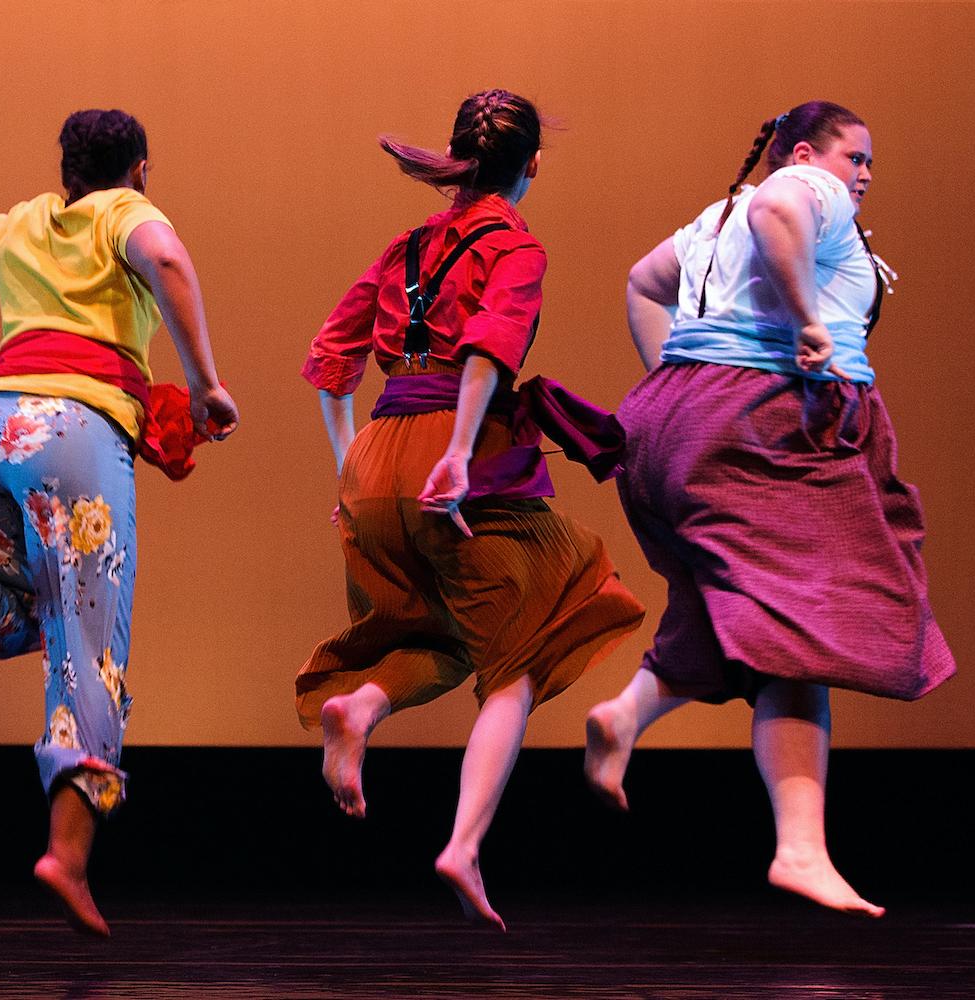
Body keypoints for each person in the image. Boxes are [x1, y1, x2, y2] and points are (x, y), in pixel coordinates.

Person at [582, 101, 954, 918]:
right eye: (852, 155)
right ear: (800, 151)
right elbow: (780, 205)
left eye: (866, 164)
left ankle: (632, 716)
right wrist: (809, 320)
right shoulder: (797, 189)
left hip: (676, 424)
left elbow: (646, 282)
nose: (861, 174)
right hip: (765, 421)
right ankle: (798, 848)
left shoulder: (711, 223)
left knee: (773, 626)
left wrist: (673, 379)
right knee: (817, 619)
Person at [293, 90, 646, 930]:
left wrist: (350, 468)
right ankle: (464, 844)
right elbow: (490, 346)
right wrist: (455, 451)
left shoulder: (406, 246)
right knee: (531, 644)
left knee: (441, 637)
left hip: (376, 455)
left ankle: (362, 706)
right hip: (456, 454)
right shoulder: (516, 246)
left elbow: (329, 360)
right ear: (530, 165)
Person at [0, 109, 239, 937]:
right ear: (140, 171)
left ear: (66, 170)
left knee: (14, 621)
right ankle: (69, 855)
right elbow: (165, 256)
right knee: (91, 650)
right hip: (72, 437)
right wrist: (206, 379)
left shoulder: (17, 222)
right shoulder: (129, 214)